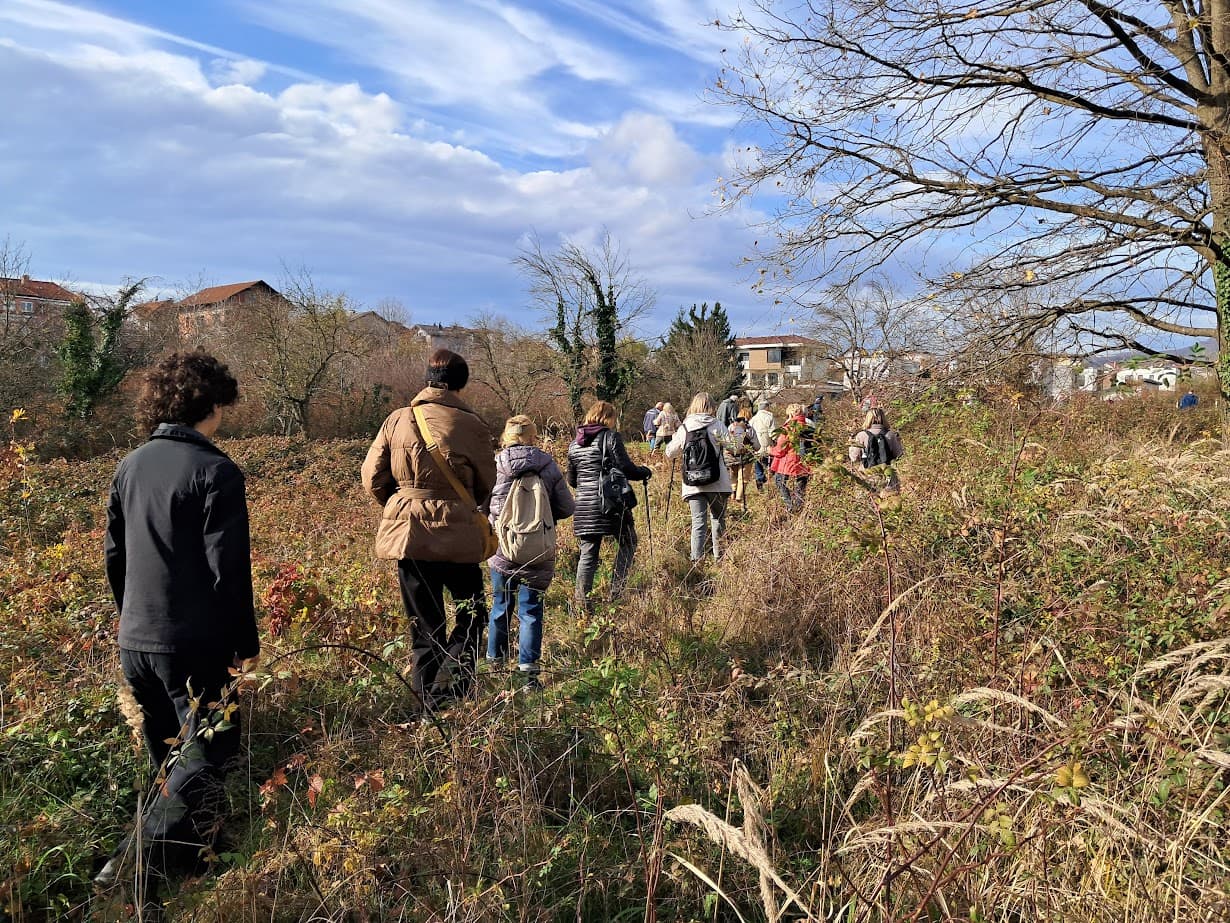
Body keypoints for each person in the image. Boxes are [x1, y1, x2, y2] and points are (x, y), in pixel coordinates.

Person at [98, 352, 259, 909]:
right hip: (193, 643)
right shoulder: (215, 470)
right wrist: (244, 647)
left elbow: (115, 557)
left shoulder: (131, 465)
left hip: (136, 639)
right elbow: (228, 572)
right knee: (203, 755)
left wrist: (132, 619)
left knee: (165, 758)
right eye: (223, 406)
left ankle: (192, 861)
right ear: (210, 405)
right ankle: (135, 864)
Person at [362, 349, 497, 716]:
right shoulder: (474, 425)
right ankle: (455, 691)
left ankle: (427, 709)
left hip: (409, 535)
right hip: (459, 538)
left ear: (427, 378)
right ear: (461, 383)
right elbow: (487, 484)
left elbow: (372, 477)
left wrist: (402, 504)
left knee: (424, 628)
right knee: (472, 615)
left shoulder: (397, 419)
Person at [486, 415, 575, 686]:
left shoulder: (496, 465)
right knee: (531, 611)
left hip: (502, 549)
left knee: (500, 607)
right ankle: (528, 676)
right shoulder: (546, 464)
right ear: (533, 435)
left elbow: (480, 504)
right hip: (537, 550)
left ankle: (495, 667)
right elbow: (567, 507)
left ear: (507, 436)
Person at [568, 400, 652, 609]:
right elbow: (626, 468)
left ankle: (582, 604)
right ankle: (616, 592)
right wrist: (644, 471)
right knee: (628, 542)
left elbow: (571, 480)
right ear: (607, 418)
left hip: (584, 507)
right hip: (611, 506)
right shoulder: (610, 437)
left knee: (588, 554)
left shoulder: (574, 444)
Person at [665, 392, 732, 561]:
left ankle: (696, 561)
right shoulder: (717, 425)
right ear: (711, 406)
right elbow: (735, 447)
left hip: (693, 483)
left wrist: (676, 439)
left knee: (698, 523)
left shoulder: (685, 427)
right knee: (718, 520)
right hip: (717, 482)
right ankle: (720, 559)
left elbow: (670, 453)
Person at [849, 407, 905, 495]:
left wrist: (851, 445)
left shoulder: (861, 435)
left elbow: (854, 458)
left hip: (867, 476)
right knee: (888, 503)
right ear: (883, 418)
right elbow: (898, 454)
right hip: (887, 475)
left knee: (868, 505)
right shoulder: (890, 434)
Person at [769, 403, 813, 513]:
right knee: (801, 485)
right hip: (805, 461)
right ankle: (799, 507)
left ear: (791, 414)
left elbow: (780, 449)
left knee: (780, 481)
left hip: (789, 461)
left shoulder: (788, 428)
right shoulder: (809, 427)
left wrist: (771, 450)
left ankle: (790, 506)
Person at [725, 409, 761, 508]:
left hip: (732, 456)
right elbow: (757, 446)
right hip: (746, 456)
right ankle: (739, 496)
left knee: (733, 474)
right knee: (743, 477)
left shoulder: (730, 427)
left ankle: (733, 492)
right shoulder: (750, 429)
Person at [749, 401, 775, 492]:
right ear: (767, 407)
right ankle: (770, 485)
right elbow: (773, 433)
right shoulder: (769, 417)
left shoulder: (753, 419)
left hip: (756, 447)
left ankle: (760, 485)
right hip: (767, 446)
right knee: (771, 466)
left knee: (758, 466)